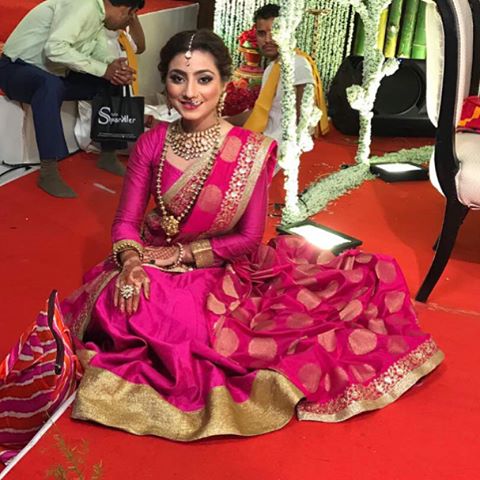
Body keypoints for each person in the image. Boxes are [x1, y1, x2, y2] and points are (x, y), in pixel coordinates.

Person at [1, 30, 443, 443]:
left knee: (171, 321)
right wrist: (133, 261)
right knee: (120, 301)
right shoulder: (153, 143)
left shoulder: (250, 151)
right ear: (165, 82)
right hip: (149, 256)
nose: (190, 92)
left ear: (225, 84)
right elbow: (126, 222)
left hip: (218, 265)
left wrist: (180, 257)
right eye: (178, 78)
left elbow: (249, 238)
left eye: (204, 78)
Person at [0, 0, 144, 198]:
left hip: (54, 70)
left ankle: (108, 154)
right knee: (50, 85)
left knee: (112, 79)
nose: (127, 22)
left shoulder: (99, 14)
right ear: (126, 9)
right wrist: (103, 69)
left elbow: (97, 50)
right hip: (16, 70)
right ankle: (49, 171)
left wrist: (112, 66)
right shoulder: (81, 5)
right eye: (130, 16)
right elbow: (55, 49)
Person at [231, 4, 329, 144]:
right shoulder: (272, 67)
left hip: (281, 148)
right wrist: (224, 121)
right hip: (264, 140)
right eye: (262, 33)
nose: (268, 39)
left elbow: (304, 122)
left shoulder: (298, 64)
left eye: (274, 32)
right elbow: (260, 113)